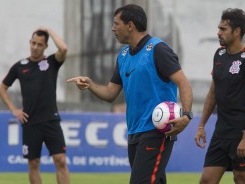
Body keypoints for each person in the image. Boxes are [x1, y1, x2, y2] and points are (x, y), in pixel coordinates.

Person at [67, 4, 193, 184]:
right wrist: (90, 84)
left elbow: (183, 83)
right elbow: (110, 93)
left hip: (157, 131)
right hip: (134, 131)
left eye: (116, 23)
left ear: (130, 25)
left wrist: (186, 115)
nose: (112, 28)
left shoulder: (158, 49)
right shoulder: (123, 55)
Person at [195, 8, 245, 184]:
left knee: (241, 180)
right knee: (207, 180)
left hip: (242, 132)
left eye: (223, 29)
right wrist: (201, 125)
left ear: (237, 31)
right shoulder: (219, 54)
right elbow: (212, 94)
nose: (218, 33)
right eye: (219, 28)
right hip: (221, 131)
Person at [0, 27, 70, 184]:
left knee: (61, 160)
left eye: (39, 44)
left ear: (45, 46)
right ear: (30, 43)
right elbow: (2, 88)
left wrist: (48, 30)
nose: (35, 47)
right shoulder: (19, 66)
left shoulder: (52, 62)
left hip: (51, 120)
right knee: (33, 164)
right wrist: (14, 110)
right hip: (30, 122)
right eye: (33, 43)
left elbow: (63, 48)